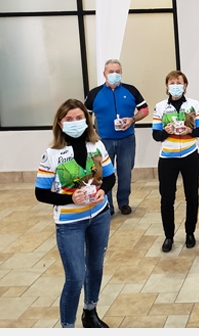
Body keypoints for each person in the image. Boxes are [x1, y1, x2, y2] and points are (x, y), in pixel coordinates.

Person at [35, 99, 115, 328]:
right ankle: (67, 327)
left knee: (96, 267)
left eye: (79, 118)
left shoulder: (97, 145)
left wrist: (102, 191)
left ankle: (90, 311)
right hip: (70, 223)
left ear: (87, 120)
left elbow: (109, 177)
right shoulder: (51, 154)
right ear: (60, 123)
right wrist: (69, 198)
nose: (75, 122)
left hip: (99, 216)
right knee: (76, 277)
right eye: (69, 119)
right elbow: (41, 193)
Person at [85, 59, 149, 216]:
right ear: (104, 74)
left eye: (117, 71)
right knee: (103, 173)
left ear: (121, 73)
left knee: (125, 172)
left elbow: (145, 110)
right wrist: (90, 134)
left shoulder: (131, 90)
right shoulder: (94, 94)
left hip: (127, 140)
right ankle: (107, 205)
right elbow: (85, 115)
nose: (114, 74)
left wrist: (133, 119)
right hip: (102, 141)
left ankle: (124, 202)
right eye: (110, 72)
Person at [152, 70, 199, 252]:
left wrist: (189, 131)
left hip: (190, 156)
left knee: (192, 195)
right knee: (167, 198)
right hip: (167, 159)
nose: (175, 86)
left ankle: (190, 232)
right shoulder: (160, 107)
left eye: (179, 82)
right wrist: (166, 131)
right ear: (167, 86)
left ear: (185, 86)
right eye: (172, 82)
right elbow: (156, 135)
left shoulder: (194, 105)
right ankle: (169, 236)